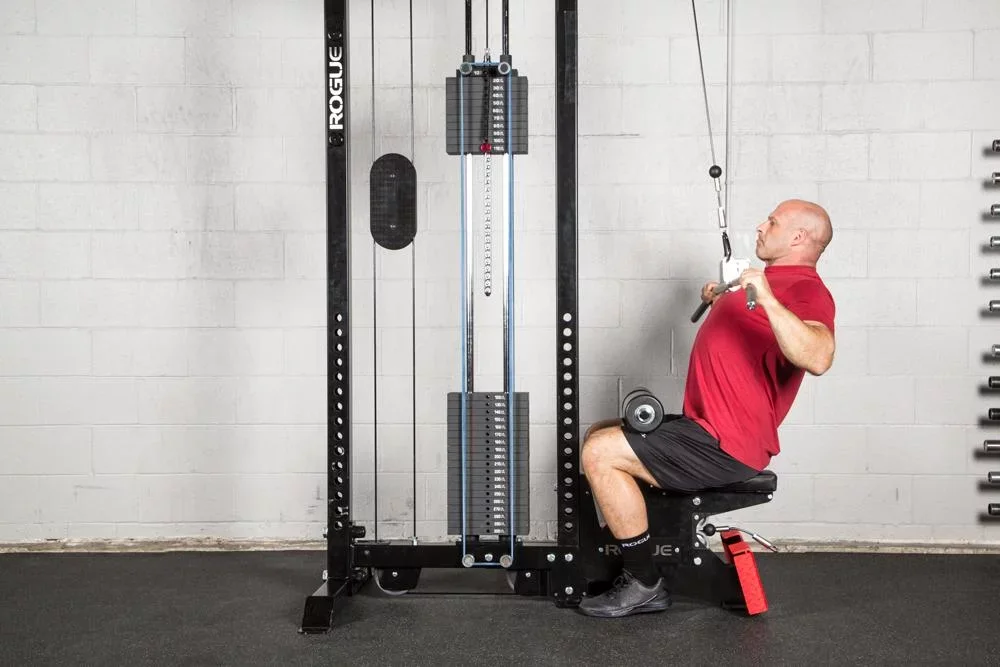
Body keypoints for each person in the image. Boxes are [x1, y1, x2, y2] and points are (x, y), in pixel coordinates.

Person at [577, 199, 837, 618]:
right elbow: (748, 339)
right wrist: (722, 301)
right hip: (705, 427)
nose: (761, 226)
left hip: (727, 443)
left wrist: (767, 299)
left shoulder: (806, 290)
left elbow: (819, 356)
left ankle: (643, 582)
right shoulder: (764, 282)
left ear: (798, 237)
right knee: (599, 432)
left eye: (772, 222)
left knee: (599, 453)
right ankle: (627, 545)